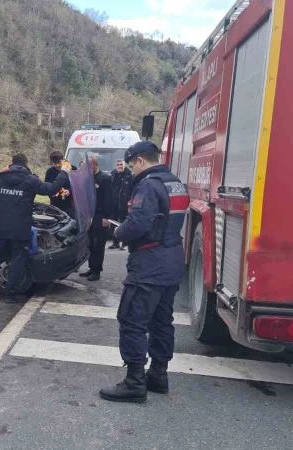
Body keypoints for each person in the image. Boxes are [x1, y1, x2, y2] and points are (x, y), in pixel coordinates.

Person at [99, 141, 189, 404]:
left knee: (132, 320)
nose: (132, 170)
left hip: (150, 263)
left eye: (131, 165)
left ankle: (134, 382)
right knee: (161, 320)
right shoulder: (175, 183)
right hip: (172, 259)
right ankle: (158, 375)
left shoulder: (148, 185)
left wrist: (118, 232)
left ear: (140, 160)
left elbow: (138, 223)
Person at [0, 153, 70, 303]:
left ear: (12, 163)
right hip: (21, 228)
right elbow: (50, 189)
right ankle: (9, 295)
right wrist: (64, 173)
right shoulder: (30, 180)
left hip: (1, 227)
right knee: (18, 260)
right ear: (26, 164)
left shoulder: (0, 178)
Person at [79, 155, 115, 281]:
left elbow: (109, 199)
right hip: (90, 215)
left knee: (98, 244)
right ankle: (91, 267)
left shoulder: (105, 178)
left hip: (101, 215)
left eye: (88, 168)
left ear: (95, 165)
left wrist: (107, 217)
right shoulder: (87, 178)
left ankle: (97, 271)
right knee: (90, 243)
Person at [109, 159, 133, 250]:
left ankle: (124, 243)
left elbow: (133, 189)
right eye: (118, 164)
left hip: (125, 204)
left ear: (124, 165)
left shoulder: (130, 175)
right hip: (114, 203)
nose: (120, 166)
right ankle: (115, 243)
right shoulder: (113, 174)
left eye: (121, 164)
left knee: (124, 223)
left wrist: (131, 201)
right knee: (113, 223)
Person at [44, 151, 75, 217]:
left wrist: (69, 190)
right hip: (55, 205)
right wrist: (52, 193)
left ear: (63, 160)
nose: (57, 165)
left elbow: (76, 185)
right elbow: (47, 186)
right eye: (54, 163)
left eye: (58, 163)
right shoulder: (49, 171)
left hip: (70, 205)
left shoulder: (73, 169)